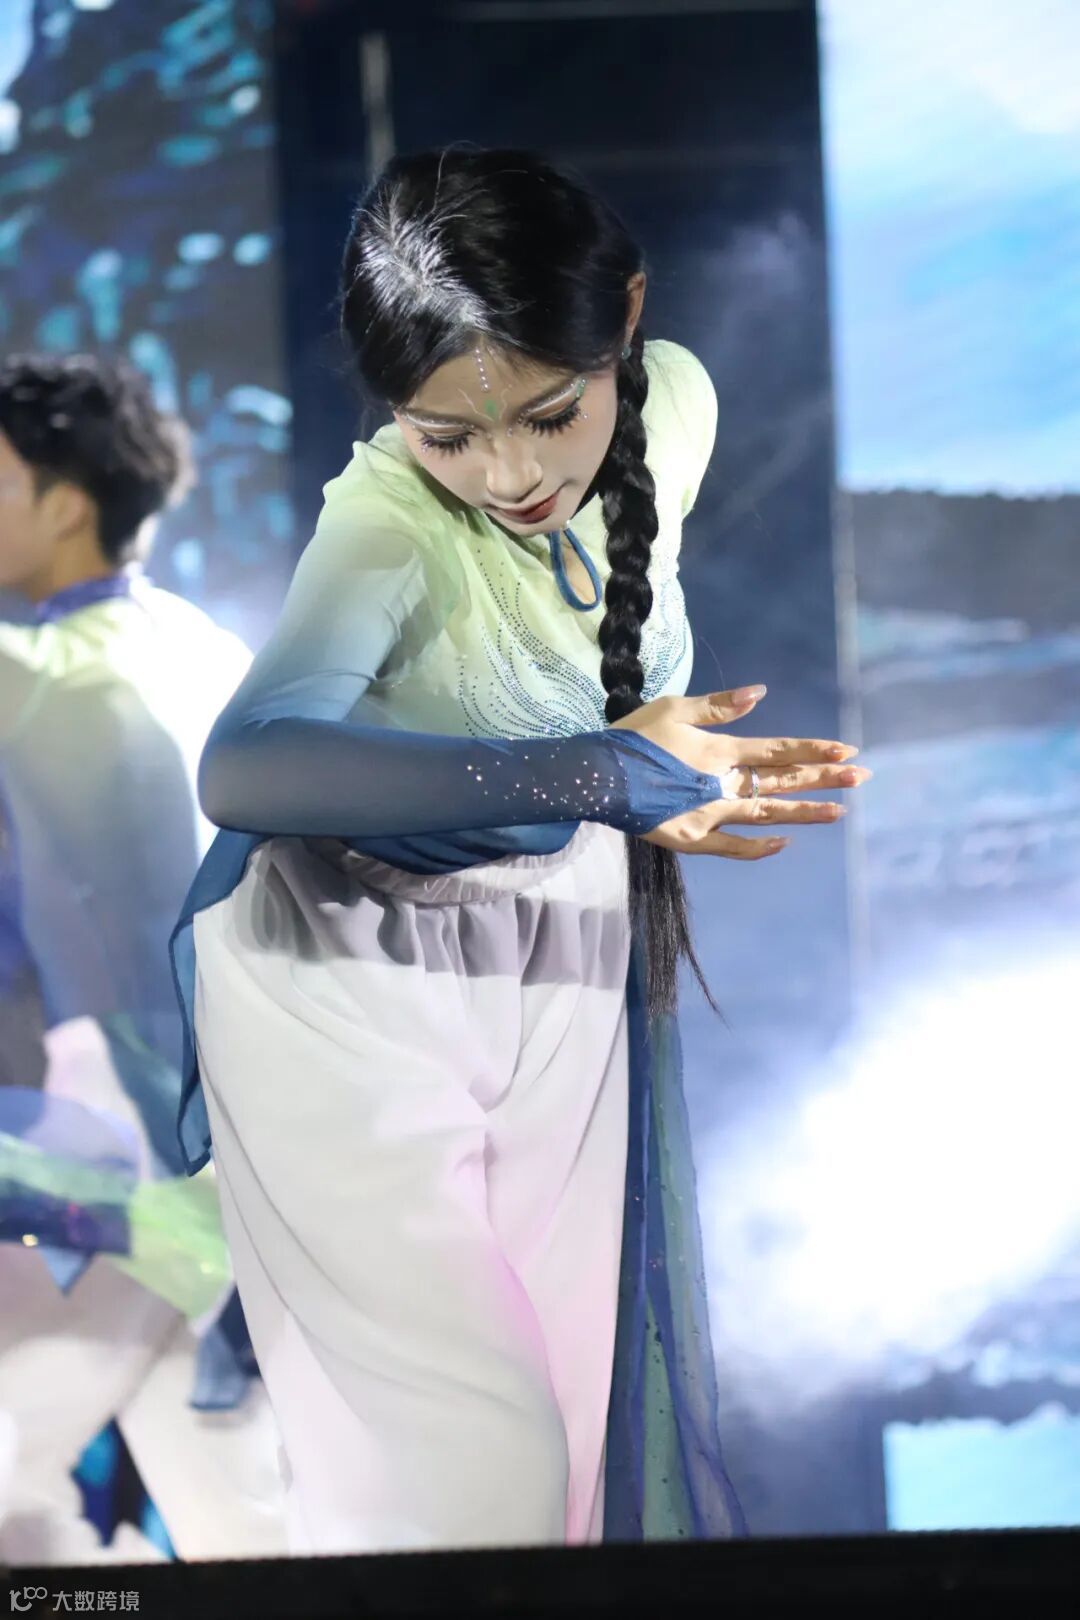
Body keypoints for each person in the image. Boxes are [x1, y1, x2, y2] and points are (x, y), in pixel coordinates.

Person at [172, 146, 870, 1555]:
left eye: (550, 415)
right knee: (476, 1475)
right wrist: (604, 771)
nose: (507, 473)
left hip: (563, 937)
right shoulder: (387, 523)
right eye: (448, 435)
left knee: (571, 1461)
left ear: (627, 315)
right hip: (343, 974)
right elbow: (244, 768)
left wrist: (621, 781)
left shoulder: (676, 403)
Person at [0, 353, 286, 1563]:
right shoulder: (207, 648)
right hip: (235, 1147)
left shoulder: (37, 673)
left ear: (66, 502)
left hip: (121, 1158)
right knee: (247, 1531)